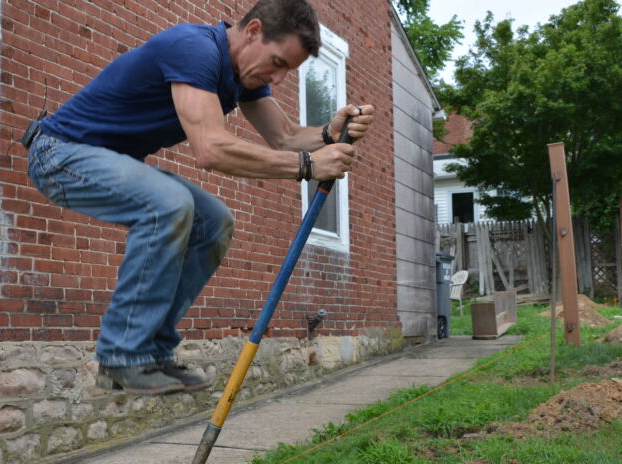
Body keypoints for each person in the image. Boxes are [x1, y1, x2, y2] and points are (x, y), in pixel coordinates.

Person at [26, 0, 376, 395]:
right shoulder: (194, 48)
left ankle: (152, 353)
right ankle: (122, 356)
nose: (277, 79)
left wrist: (329, 133)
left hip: (100, 159)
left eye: (288, 71)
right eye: (277, 63)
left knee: (214, 222)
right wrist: (310, 165)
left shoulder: (243, 75)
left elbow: (286, 137)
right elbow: (210, 148)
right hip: (59, 154)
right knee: (169, 206)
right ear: (254, 31)